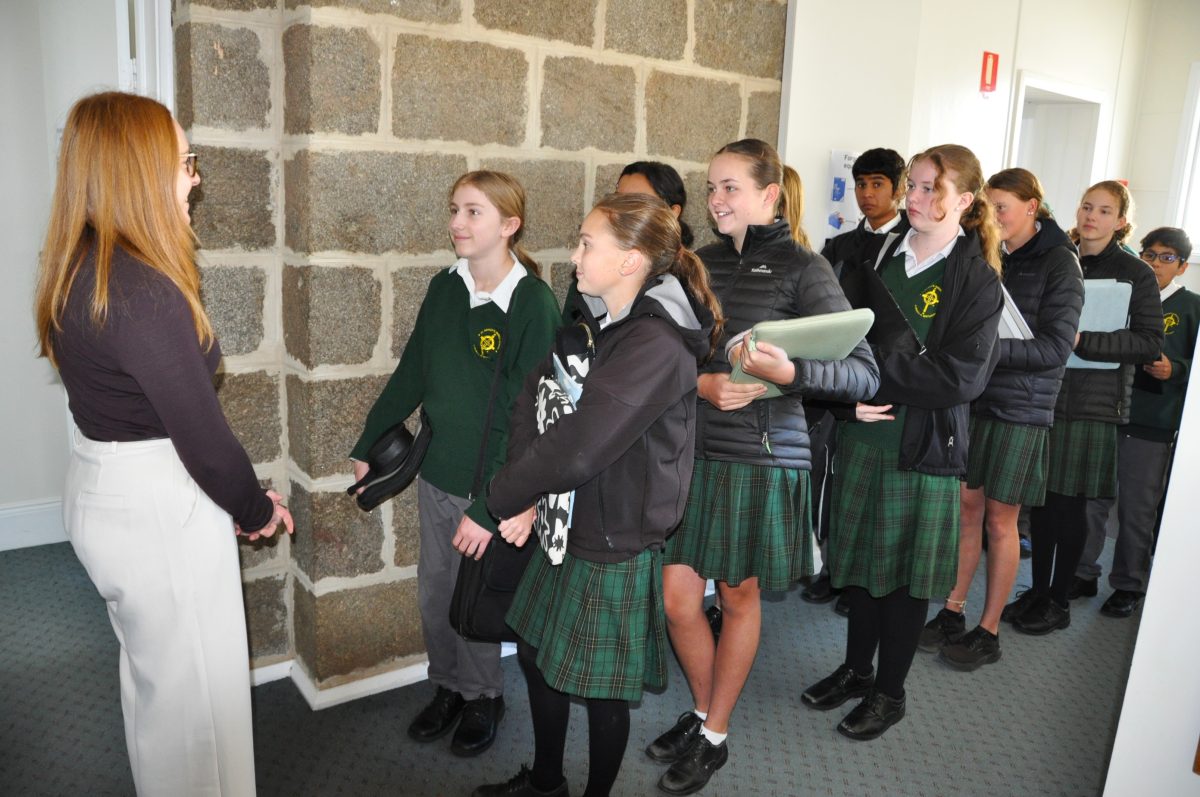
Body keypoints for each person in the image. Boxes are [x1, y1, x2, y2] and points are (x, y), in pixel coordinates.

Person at [33, 91, 294, 795]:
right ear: (138, 172)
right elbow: (203, 439)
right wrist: (255, 506)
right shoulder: (143, 289)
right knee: (199, 709)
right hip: (157, 508)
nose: (195, 178)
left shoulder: (77, 266)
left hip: (104, 484)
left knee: (159, 687)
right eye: (184, 163)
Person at [648, 138, 879, 794]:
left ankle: (714, 733)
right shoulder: (695, 263)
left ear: (769, 195)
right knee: (678, 598)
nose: (716, 199)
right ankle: (701, 709)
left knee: (740, 593)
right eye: (712, 186)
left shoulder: (806, 269)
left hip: (763, 454)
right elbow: (660, 357)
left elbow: (864, 371)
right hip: (694, 447)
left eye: (730, 187)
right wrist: (700, 383)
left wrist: (794, 371)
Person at [472, 192, 720, 797]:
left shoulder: (655, 345)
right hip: (566, 516)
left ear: (631, 260)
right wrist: (527, 497)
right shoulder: (592, 316)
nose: (574, 256)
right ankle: (549, 781)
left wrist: (502, 497)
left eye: (587, 244)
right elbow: (535, 394)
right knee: (534, 653)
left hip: (613, 534)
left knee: (602, 688)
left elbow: (580, 445)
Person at [350, 171, 560, 756]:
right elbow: (413, 370)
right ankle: (445, 687)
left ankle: (482, 696)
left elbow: (535, 415)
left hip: (490, 487)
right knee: (436, 592)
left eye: (473, 212)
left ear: (509, 225)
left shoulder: (533, 304)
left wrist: (494, 505)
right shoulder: (446, 288)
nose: (456, 223)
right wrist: (368, 446)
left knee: (476, 600)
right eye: (454, 210)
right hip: (437, 475)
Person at [801, 144, 1003, 740]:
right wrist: (845, 395)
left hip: (921, 450)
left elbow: (960, 378)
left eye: (927, 189)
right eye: (911, 186)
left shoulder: (977, 280)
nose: (912, 199)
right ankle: (856, 670)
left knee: (906, 581)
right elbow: (834, 341)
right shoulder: (880, 253)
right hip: (862, 440)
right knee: (860, 567)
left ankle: (891, 693)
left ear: (964, 202)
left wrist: (871, 371)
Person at [918, 167, 1083, 667]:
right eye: (986, 208)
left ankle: (988, 630)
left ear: (1032, 207)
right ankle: (953, 607)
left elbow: (1056, 348)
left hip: (1023, 407)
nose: (993, 217)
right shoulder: (986, 255)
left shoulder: (1061, 263)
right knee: (965, 510)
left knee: (1000, 520)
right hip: (977, 398)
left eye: (1003, 208)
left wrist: (979, 347)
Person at [1006, 180, 1163, 634]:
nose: (1091, 217)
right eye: (1087, 207)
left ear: (1120, 221)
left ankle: (1058, 600)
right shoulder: (1058, 258)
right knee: (1040, 504)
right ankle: (1036, 592)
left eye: (1105, 211)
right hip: (1044, 392)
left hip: (1094, 402)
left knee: (1071, 507)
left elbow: (1150, 342)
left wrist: (1080, 341)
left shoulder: (1136, 273)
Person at [1072, 227, 1197, 617]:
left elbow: (1192, 367)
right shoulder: (1125, 295)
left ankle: (1129, 583)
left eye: (1167, 258)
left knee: (1137, 509)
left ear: (1182, 266)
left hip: (1151, 419)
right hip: (1107, 408)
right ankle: (1083, 571)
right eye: (1150, 254)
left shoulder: (1192, 306)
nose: (1157, 263)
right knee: (1093, 500)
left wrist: (1173, 369)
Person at [808, 147, 911, 610]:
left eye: (878, 185)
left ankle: (859, 582)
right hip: (841, 373)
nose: (867, 195)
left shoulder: (909, 243)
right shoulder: (841, 246)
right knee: (833, 475)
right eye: (861, 185)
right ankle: (835, 569)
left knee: (876, 487)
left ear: (899, 188)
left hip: (891, 374)